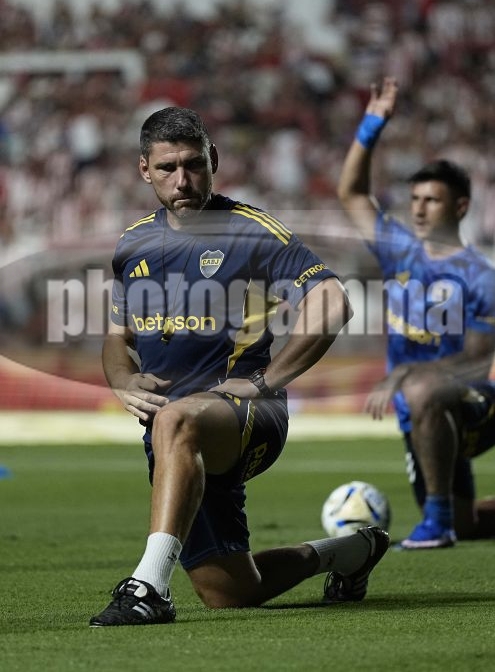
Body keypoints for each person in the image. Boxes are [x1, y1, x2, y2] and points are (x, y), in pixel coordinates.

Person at [90, 106, 390, 626]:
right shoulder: (132, 244)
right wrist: (122, 378)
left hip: (248, 415)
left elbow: (332, 301)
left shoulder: (250, 230)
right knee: (228, 590)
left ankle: (148, 589)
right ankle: (351, 551)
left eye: (193, 164)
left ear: (213, 159)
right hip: (174, 435)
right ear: (144, 170)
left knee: (175, 418)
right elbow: (118, 337)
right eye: (167, 168)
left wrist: (266, 380)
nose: (182, 180)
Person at [337, 77, 495, 549]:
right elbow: (352, 194)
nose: (420, 210)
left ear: (460, 207)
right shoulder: (399, 251)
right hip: (419, 411)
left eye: (433, 200)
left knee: (424, 388)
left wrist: (409, 373)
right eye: (416, 200)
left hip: (472, 406)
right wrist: (371, 125)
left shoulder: (480, 277)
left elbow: (476, 359)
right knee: (469, 524)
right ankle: (450, 519)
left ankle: (436, 524)